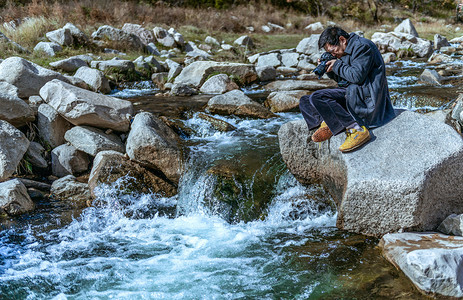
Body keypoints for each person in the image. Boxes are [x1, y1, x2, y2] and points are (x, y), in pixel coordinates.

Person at [299, 26, 395, 152]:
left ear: (342, 39)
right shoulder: (344, 51)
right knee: (305, 101)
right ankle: (327, 123)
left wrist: (337, 64)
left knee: (319, 97)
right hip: (354, 94)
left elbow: (356, 77)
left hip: (368, 100)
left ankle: (356, 130)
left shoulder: (363, 47)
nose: (333, 54)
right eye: (331, 53)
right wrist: (330, 70)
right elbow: (344, 81)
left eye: (334, 51)